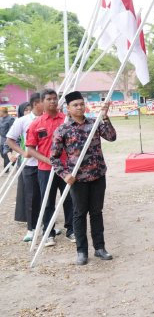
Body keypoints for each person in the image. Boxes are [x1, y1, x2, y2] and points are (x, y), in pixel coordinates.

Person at [50, 91, 116, 265]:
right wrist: (65, 175)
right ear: (68, 108)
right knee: (79, 214)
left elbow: (111, 137)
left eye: (81, 104)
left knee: (96, 212)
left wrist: (105, 117)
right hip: (77, 179)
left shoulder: (94, 124)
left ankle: (100, 248)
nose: (79, 107)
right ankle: (81, 251)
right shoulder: (63, 130)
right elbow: (54, 157)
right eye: (75, 105)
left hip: (97, 175)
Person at [26, 89, 75, 246]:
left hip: (66, 168)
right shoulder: (36, 123)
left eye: (55, 99)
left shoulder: (67, 120)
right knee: (47, 201)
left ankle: (71, 230)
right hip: (45, 170)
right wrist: (48, 160)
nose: (53, 101)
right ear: (42, 102)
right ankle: (49, 232)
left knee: (69, 199)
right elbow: (31, 149)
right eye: (49, 99)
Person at [6, 96, 43, 242]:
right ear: (36, 104)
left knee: (46, 196)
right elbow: (10, 140)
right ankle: (31, 228)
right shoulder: (22, 120)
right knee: (31, 197)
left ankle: (47, 227)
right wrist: (23, 153)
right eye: (45, 101)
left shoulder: (47, 119)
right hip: (30, 165)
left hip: (46, 165)